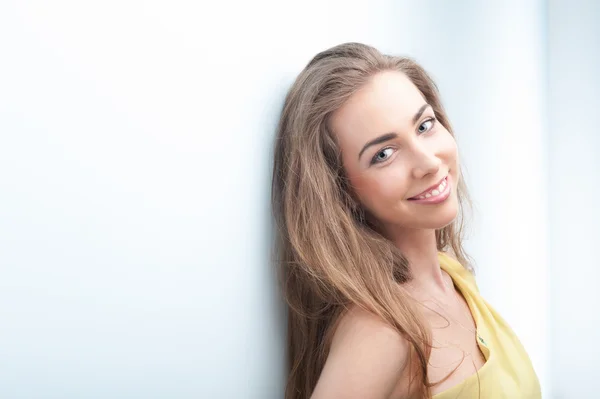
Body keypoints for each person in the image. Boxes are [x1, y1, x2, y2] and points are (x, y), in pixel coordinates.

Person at [271, 42, 541, 399]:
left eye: (425, 125)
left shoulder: (452, 275)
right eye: (384, 154)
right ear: (341, 191)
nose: (428, 162)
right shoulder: (380, 330)